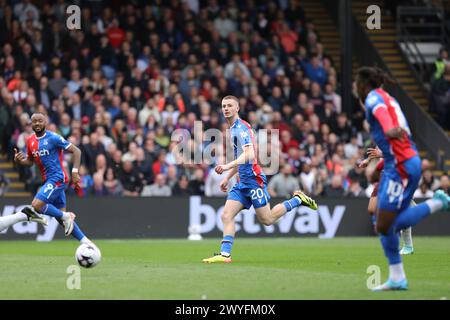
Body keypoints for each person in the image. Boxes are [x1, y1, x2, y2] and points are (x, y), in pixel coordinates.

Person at [356, 67, 449, 291]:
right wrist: (379, 163)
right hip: (398, 163)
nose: (353, 87)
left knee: (388, 223)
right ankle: (397, 277)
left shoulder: (373, 99)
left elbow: (390, 127)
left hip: (401, 166)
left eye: (355, 83)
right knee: (383, 224)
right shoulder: (385, 97)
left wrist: (390, 133)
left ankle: (438, 202)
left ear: (363, 84)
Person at [202, 96, 317, 264]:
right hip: (242, 183)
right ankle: (225, 255)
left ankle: (297, 199)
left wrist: (226, 166)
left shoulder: (241, 128)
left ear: (237, 108)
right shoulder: (232, 128)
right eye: (223, 106)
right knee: (226, 215)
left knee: (268, 220)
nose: (226, 108)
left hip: (254, 181)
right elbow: (241, 158)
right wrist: (227, 178)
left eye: (229, 106)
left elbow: (250, 155)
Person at [0, 112, 95, 248]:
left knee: (37, 205)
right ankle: (86, 241)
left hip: (58, 178)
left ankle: (66, 216)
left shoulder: (53, 137)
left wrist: (75, 172)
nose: (37, 124)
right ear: (31, 124)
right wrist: (21, 161)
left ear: (45, 122)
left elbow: (77, 151)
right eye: (34, 121)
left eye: (40, 121)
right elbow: (30, 162)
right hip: (49, 181)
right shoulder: (30, 141)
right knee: (61, 219)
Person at [358, 147, 414, 255]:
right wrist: (368, 160)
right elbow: (376, 152)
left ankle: (408, 245)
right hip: (383, 178)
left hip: (395, 177)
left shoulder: (395, 136)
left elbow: (400, 154)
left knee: (402, 210)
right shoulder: (381, 135)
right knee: (371, 209)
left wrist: (382, 155)